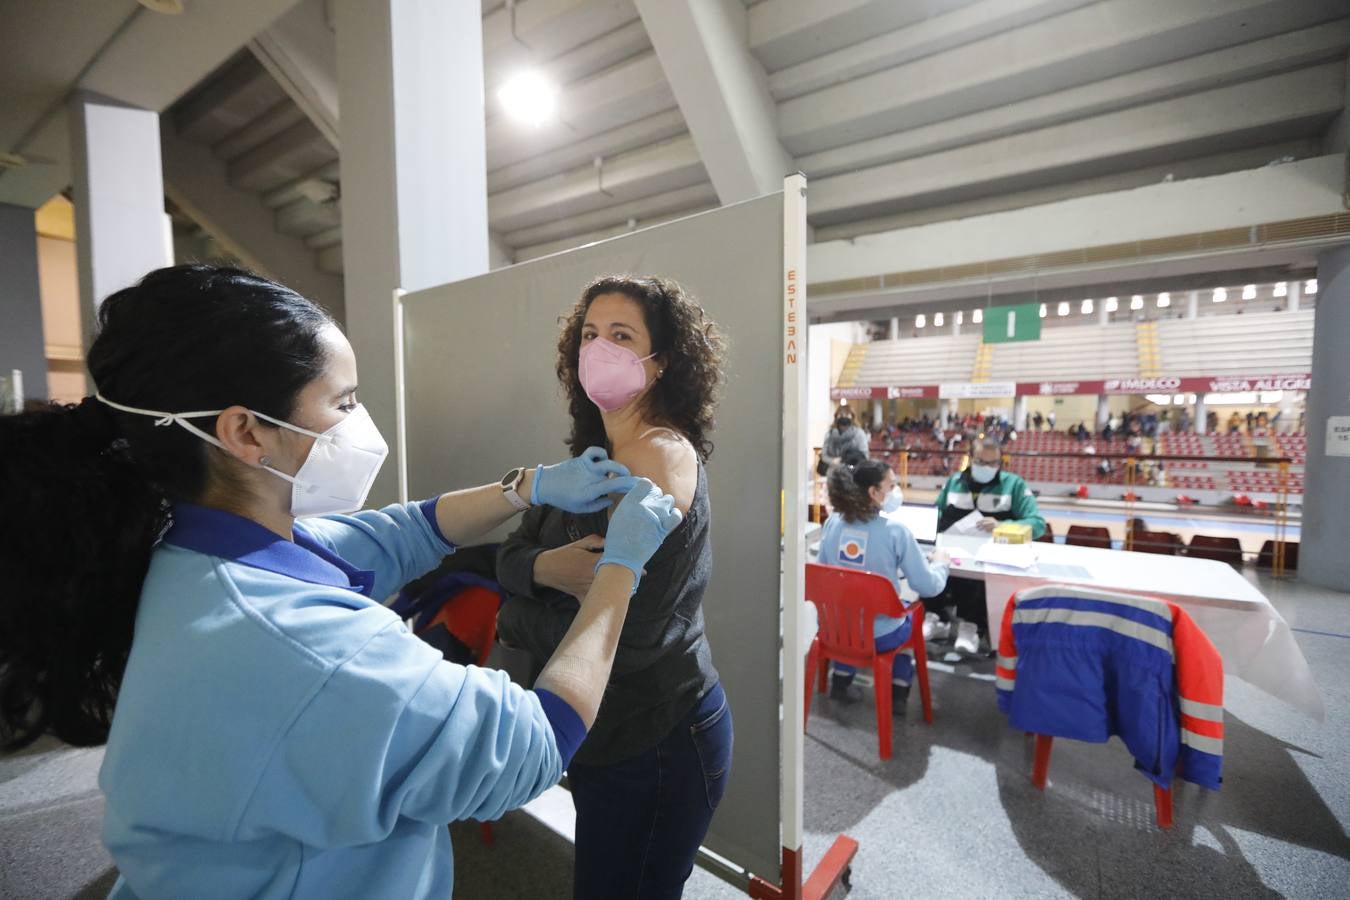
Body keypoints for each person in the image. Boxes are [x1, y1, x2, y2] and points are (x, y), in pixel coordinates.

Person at [0, 266, 684, 899]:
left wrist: (525, 487)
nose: (360, 425)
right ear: (245, 431)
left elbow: (392, 538)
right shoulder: (309, 649)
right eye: (343, 402)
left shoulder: (182, 545)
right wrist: (620, 568)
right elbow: (532, 746)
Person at [494, 275, 730, 900]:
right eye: (590, 334)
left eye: (621, 336)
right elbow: (509, 557)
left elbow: (624, 637)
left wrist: (513, 618)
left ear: (661, 364)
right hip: (600, 732)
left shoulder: (660, 460)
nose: (600, 348)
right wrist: (544, 572)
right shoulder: (594, 453)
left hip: (656, 738)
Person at [816, 459, 949, 708]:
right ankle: (899, 693)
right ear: (874, 492)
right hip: (880, 636)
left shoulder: (832, 523)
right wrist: (941, 564)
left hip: (835, 629)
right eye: (891, 485)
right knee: (908, 615)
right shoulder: (896, 531)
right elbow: (928, 586)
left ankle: (841, 682)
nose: (895, 491)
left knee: (852, 610)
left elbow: (824, 573)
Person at [933, 438, 1047, 651]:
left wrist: (1002, 525)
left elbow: (1038, 524)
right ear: (970, 459)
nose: (987, 468)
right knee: (929, 562)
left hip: (993, 558)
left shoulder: (1014, 485)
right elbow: (935, 514)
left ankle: (972, 628)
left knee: (975, 582)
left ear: (1001, 462)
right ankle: (938, 619)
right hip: (954, 554)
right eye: (981, 462)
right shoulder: (954, 482)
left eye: (993, 463)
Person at [821, 408, 869, 474]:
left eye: (847, 414)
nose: (843, 416)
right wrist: (832, 461)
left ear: (852, 416)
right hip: (833, 472)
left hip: (853, 472)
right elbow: (824, 455)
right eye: (841, 414)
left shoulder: (859, 433)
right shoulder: (829, 434)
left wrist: (845, 461)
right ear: (836, 417)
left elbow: (864, 455)